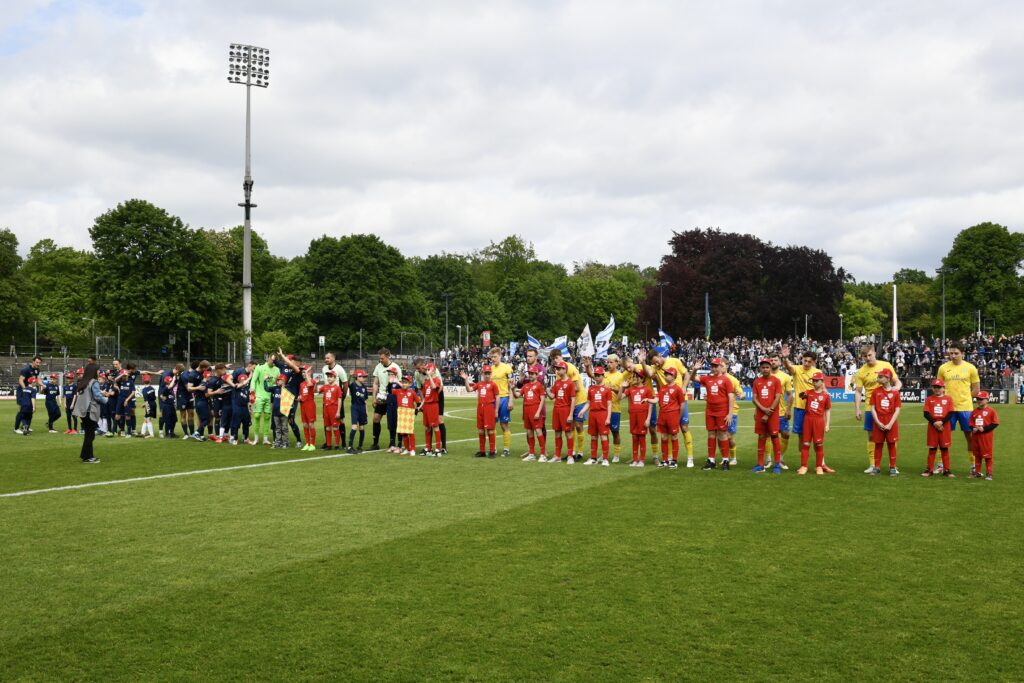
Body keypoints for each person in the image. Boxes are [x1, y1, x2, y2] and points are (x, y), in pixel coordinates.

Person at [936, 343, 982, 474]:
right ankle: (940, 465)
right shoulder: (943, 368)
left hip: (965, 408)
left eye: (956, 353)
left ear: (962, 353)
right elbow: (939, 387)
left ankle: (973, 465)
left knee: (970, 437)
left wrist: (965, 398)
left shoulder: (970, 368)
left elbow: (976, 389)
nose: (953, 355)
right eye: (951, 353)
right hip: (947, 410)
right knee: (942, 436)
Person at [855, 345, 901, 473]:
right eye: (865, 356)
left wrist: (895, 388)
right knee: (871, 437)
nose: (868, 358)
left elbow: (897, 382)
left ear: (874, 353)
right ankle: (873, 464)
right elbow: (858, 392)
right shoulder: (861, 372)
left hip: (888, 408)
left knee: (891, 438)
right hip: (871, 407)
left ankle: (893, 465)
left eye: (869, 355)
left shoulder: (885, 365)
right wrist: (857, 409)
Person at [584, 354, 627, 462]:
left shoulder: (621, 376)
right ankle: (604, 455)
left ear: (617, 363)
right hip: (602, 409)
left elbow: (623, 392)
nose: (609, 364)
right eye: (608, 362)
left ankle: (616, 455)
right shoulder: (604, 374)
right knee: (604, 433)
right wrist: (587, 366)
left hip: (614, 408)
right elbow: (592, 375)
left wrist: (612, 388)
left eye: (611, 362)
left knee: (615, 431)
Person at [548, 348, 586, 460]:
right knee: (570, 427)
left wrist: (565, 390)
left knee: (578, 426)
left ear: (561, 356)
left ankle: (580, 452)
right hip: (568, 402)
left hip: (578, 400)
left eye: (556, 357)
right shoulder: (557, 371)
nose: (555, 360)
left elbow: (577, 388)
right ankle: (572, 452)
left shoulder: (570, 368)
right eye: (553, 359)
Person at [697, 358, 735, 470]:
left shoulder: (726, 380)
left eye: (716, 366)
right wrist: (694, 369)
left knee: (723, 434)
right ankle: (711, 460)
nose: (713, 368)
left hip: (722, 411)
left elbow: (731, 396)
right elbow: (694, 378)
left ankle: (725, 460)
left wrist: (730, 413)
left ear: (720, 367)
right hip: (710, 411)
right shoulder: (707, 378)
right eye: (712, 366)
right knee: (711, 434)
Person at [751, 359, 783, 474]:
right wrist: (763, 410)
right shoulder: (757, 382)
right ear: (760, 368)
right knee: (761, 437)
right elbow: (754, 398)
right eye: (763, 367)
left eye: (767, 367)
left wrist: (769, 411)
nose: (765, 369)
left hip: (773, 415)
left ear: (770, 368)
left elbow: (777, 397)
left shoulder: (776, 380)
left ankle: (777, 465)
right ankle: (760, 464)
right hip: (760, 413)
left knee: (774, 437)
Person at [868, 368, 901, 476]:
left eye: (880, 376)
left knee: (892, 444)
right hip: (879, 421)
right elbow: (872, 408)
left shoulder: (895, 393)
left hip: (891, 420)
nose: (878, 378)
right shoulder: (876, 391)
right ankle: (876, 468)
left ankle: (892, 467)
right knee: (878, 444)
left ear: (887, 378)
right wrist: (877, 422)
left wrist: (890, 423)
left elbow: (897, 409)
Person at [72, 363, 107, 463]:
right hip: (90, 411)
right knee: (90, 435)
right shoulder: (94, 382)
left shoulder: (83, 382)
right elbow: (97, 397)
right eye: (97, 370)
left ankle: (85, 455)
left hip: (82, 411)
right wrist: (107, 400)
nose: (98, 372)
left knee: (88, 434)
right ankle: (88, 457)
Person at [462, 365, 499, 458]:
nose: (487, 375)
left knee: (490, 430)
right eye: (485, 373)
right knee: (481, 430)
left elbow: (497, 398)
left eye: (488, 373)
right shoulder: (479, 384)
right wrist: (465, 379)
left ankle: (492, 451)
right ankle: (482, 451)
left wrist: (496, 411)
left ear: (491, 374)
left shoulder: (493, 384)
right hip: (480, 408)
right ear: (482, 374)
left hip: (489, 408)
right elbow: (469, 389)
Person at [798, 372, 831, 475]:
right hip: (808, 419)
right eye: (813, 380)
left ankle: (819, 467)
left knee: (819, 444)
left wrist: (827, 424)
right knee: (806, 443)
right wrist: (802, 394)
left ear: (822, 382)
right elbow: (801, 395)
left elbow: (827, 410)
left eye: (817, 380)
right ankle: (804, 466)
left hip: (819, 421)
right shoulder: (808, 392)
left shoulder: (826, 395)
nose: (815, 382)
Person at [654, 367, 686, 468]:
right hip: (662, 415)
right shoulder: (663, 387)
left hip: (672, 416)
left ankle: (674, 460)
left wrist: (678, 417)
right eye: (665, 373)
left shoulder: (677, 389)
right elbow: (656, 399)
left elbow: (682, 405)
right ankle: (665, 460)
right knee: (663, 437)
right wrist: (648, 400)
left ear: (673, 376)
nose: (665, 375)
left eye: (667, 374)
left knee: (674, 437)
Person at [922, 379, 955, 478]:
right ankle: (929, 470)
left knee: (944, 448)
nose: (937, 389)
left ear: (943, 388)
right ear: (932, 388)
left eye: (939, 387)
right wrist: (934, 423)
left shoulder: (948, 399)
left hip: (944, 427)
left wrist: (941, 423)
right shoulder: (929, 399)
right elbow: (926, 413)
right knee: (932, 448)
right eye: (935, 387)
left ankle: (947, 470)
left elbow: (951, 413)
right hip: (933, 427)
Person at [514, 364, 547, 461]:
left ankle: (543, 454)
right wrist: (512, 388)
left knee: (538, 431)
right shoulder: (526, 386)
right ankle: (531, 454)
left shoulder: (539, 386)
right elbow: (517, 395)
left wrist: (538, 412)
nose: (531, 375)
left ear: (536, 374)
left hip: (535, 410)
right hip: (527, 411)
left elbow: (542, 399)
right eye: (530, 373)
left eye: (533, 373)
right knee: (529, 432)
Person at [581, 366, 613, 466]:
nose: (597, 377)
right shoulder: (591, 389)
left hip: (602, 414)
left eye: (599, 375)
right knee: (593, 437)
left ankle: (605, 459)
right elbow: (588, 402)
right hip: (593, 414)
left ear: (603, 376)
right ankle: (593, 458)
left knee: (603, 436)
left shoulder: (607, 389)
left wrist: (608, 417)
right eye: (596, 375)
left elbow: (609, 404)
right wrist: (582, 411)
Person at [370, 349, 401, 451]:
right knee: (376, 418)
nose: (380, 360)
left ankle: (392, 443)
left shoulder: (395, 368)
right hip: (381, 397)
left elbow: (400, 384)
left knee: (392, 420)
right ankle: (375, 443)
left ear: (388, 356)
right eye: (379, 358)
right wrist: (374, 397)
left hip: (392, 397)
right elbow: (375, 383)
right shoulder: (378, 366)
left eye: (382, 358)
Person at [546, 360, 577, 463]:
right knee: (557, 433)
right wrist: (546, 390)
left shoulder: (570, 383)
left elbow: (573, 399)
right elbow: (552, 397)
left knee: (568, 433)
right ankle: (557, 456)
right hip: (557, 409)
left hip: (565, 409)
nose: (557, 370)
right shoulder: (557, 382)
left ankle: (570, 456)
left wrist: (571, 414)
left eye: (559, 368)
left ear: (564, 369)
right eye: (557, 369)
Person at [766, 354, 793, 469]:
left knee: (785, 434)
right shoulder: (764, 375)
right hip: (767, 411)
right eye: (771, 360)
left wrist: (788, 409)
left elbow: (790, 395)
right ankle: (768, 459)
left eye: (775, 360)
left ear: (779, 362)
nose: (773, 362)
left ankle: (780, 458)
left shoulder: (785, 376)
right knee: (767, 435)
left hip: (781, 412)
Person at [487, 347, 515, 457]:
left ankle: (506, 449)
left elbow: (511, 386)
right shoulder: (490, 369)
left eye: (495, 356)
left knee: (504, 424)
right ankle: (493, 448)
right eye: (491, 357)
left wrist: (511, 400)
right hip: (492, 399)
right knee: (491, 425)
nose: (493, 359)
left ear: (500, 356)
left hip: (504, 398)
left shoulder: (507, 368)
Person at [623, 370, 655, 467]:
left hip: (643, 416)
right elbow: (620, 397)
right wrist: (622, 387)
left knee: (642, 437)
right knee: (634, 437)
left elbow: (651, 405)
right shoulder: (630, 389)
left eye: (637, 377)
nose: (635, 378)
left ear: (642, 378)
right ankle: (635, 459)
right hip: (633, 416)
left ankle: (642, 460)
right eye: (634, 376)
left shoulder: (647, 390)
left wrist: (648, 418)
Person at [415, 358, 447, 454]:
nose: (418, 370)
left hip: (436, 396)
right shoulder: (417, 374)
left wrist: (434, 397)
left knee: (439, 420)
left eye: (419, 368)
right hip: (427, 399)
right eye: (416, 369)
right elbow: (420, 388)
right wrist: (423, 402)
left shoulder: (434, 371)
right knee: (428, 424)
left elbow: (439, 386)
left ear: (423, 365)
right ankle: (429, 447)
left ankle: (443, 447)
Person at [249, 353, 280, 446]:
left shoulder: (277, 370)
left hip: (270, 396)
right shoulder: (259, 367)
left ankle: (265, 439)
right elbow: (253, 380)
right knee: (257, 415)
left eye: (274, 360)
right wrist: (252, 392)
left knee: (267, 417)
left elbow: (277, 383)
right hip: (259, 395)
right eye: (271, 359)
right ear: (268, 359)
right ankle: (256, 438)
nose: (272, 361)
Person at [322, 352, 350, 449]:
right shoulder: (324, 369)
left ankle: (342, 443)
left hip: (336, 399)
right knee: (327, 421)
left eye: (328, 358)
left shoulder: (339, 369)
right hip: (327, 400)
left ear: (333, 358)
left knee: (340, 420)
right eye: (325, 358)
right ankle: (328, 443)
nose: (326, 359)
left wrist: (343, 396)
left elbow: (345, 383)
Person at [969, 391, 999, 480]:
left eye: (981, 399)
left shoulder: (991, 411)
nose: (979, 401)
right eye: (978, 399)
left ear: (987, 400)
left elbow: (995, 423)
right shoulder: (974, 411)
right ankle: (978, 472)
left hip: (986, 437)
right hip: (976, 437)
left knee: (987, 456)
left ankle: (989, 473)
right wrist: (973, 428)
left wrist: (984, 429)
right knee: (977, 455)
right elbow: (970, 423)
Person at [419, 363, 443, 456]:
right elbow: (425, 396)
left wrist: (429, 376)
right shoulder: (425, 382)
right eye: (426, 369)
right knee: (427, 427)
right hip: (427, 406)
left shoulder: (437, 380)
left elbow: (434, 387)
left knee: (435, 426)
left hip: (433, 405)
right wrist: (421, 405)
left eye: (429, 369)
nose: (427, 370)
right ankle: (428, 448)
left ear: (433, 370)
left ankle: (438, 449)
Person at [14, 355, 41, 434]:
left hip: (28, 391)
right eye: (37, 362)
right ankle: (16, 428)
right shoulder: (26, 369)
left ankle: (25, 426)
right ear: (33, 361)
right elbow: (20, 380)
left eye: (39, 363)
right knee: (21, 410)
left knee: (28, 409)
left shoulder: (37, 370)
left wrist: (43, 385)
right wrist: (25, 389)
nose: (38, 364)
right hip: (22, 392)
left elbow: (38, 379)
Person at [393, 375, 419, 455]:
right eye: (403, 382)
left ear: (410, 384)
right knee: (403, 432)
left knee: (410, 432)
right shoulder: (397, 391)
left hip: (409, 413)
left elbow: (418, 402)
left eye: (406, 383)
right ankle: (407, 448)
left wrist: (416, 410)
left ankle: (413, 449)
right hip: (401, 412)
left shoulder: (412, 392)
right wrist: (392, 382)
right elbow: (390, 390)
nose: (404, 384)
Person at [724, 367, 745, 466]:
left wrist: (742, 395)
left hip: (732, 411)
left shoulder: (733, 380)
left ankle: (733, 458)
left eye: (722, 365)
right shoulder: (715, 378)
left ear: (726, 366)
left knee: (729, 436)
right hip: (720, 411)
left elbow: (741, 393)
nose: (720, 367)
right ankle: (725, 458)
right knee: (721, 436)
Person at [319, 370, 343, 450]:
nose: (329, 378)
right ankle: (329, 445)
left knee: (335, 427)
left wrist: (338, 411)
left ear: (335, 378)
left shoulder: (337, 388)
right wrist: (315, 383)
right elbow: (316, 391)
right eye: (328, 377)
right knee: (327, 428)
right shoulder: (325, 386)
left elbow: (339, 400)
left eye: (331, 377)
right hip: (326, 409)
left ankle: (337, 445)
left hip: (333, 409)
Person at [348, 369, 370, 453]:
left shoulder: (364, 387)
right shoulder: (353, 385)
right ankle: (350, 447)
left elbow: (365, 400)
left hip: (362, 409)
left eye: (365, 377)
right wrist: (350, 375)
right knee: (354, 426)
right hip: (355, 407)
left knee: (361, 427)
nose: (364, 378)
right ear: (357, 377)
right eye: (362, 376)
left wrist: (366, 410)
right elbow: (347, 384)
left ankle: (360, 446)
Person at [298, 366, 319, 452]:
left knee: (311, 424)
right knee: (305, 425)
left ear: (310, 373)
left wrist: (307, 375)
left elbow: (310, 385)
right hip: (303, 405)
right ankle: (307, 443)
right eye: (302, 372)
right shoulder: (301, 384)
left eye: (305, 372)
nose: (303, 374)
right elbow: (301, 394)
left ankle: (312, 444)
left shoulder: (312, 381)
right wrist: (299, 397)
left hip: (310, 404)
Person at [230, 372, 253, 446]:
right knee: (236, 425)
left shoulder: (247, 389)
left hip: (244, 408)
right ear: (239, 381)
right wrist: (249, 378)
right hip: (237, 408)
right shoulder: (236, 386)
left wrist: (249, 409)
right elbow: (239, 385)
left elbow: (248, 401)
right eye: (242, 380)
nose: (244, 381)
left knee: (246, 424)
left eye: (245, 380)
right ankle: (235, 439)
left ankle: (246, 438)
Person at [140, 374, 157, 438]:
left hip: (149, 405)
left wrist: (145, 406)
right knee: (145, 418)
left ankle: (151, 434)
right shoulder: (152, 388)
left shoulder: (144, 390)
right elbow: (154, 398)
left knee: (148, 419)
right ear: (150, 380)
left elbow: (146, 401)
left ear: (143, 381)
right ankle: (142, 433)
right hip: (153, 404)